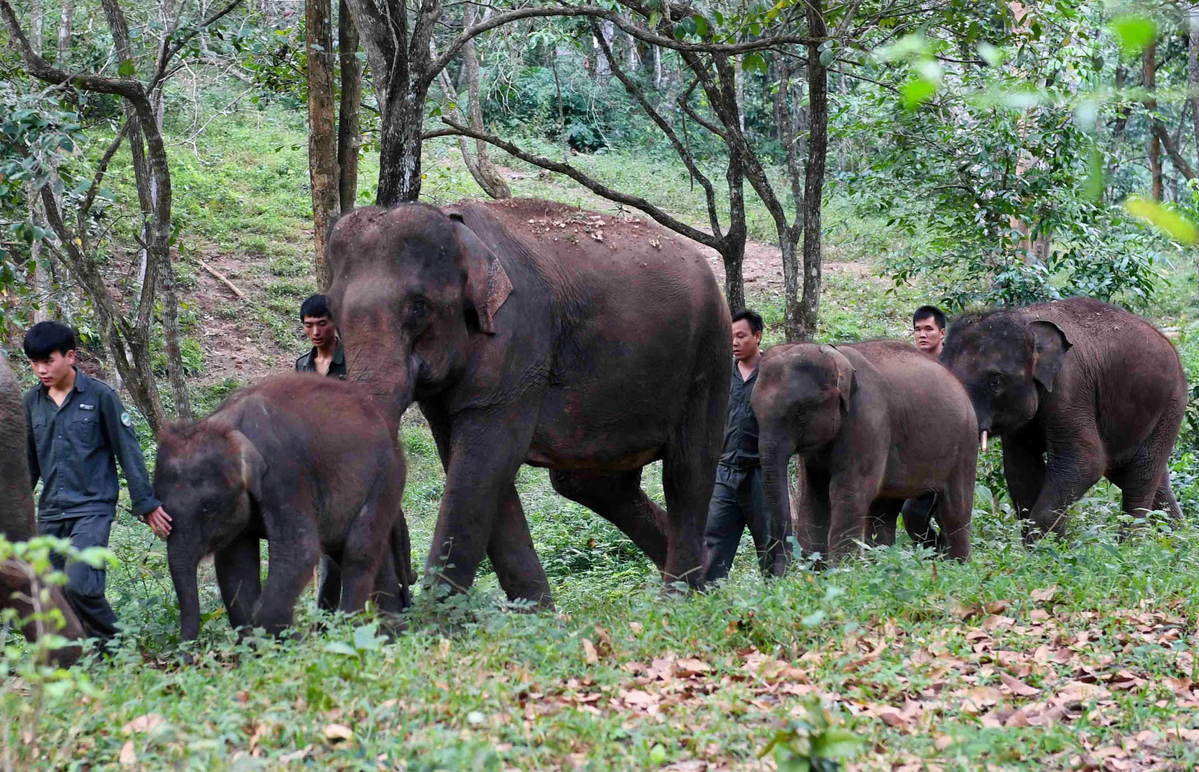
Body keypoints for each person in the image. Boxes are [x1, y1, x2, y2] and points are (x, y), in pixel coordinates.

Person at [22, 321, 171, 640]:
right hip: (50, 513)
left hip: (92, 510)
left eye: (48, 361)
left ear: (70, 356)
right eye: (34, 363)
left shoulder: (101, 397)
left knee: (80, 585)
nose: (41, 370)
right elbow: (29, 465)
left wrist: (146, 504)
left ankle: (118, 647)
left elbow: (128, 452)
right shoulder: (31, 403)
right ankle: (85, 660)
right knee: (52, 594)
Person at [703, 309, 772, 582]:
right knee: (713, 541)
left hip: (762, 475)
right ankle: (706, 604)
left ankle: (779, 603)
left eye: (741, 336)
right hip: (725, 472)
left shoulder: (773, 374)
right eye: (730, 337)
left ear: (757, 336)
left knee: (772, 544)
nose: (734, 342)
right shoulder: (721, 376)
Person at [903, 305, 949, 548]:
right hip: (915, 455)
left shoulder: (954, 365)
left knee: (917, 512)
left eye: (928, 329)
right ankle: (936, 554)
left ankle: (941, 556)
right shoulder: (910, 366)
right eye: (917, 330)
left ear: (942, 333)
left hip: (947, 454)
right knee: (916, 515)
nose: (922, 335)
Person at [294, 294, 346, 379]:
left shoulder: (352, 361)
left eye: (322, 324)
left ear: (335, 322)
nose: (315, 332)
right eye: (309, 325)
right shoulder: (302, 365)